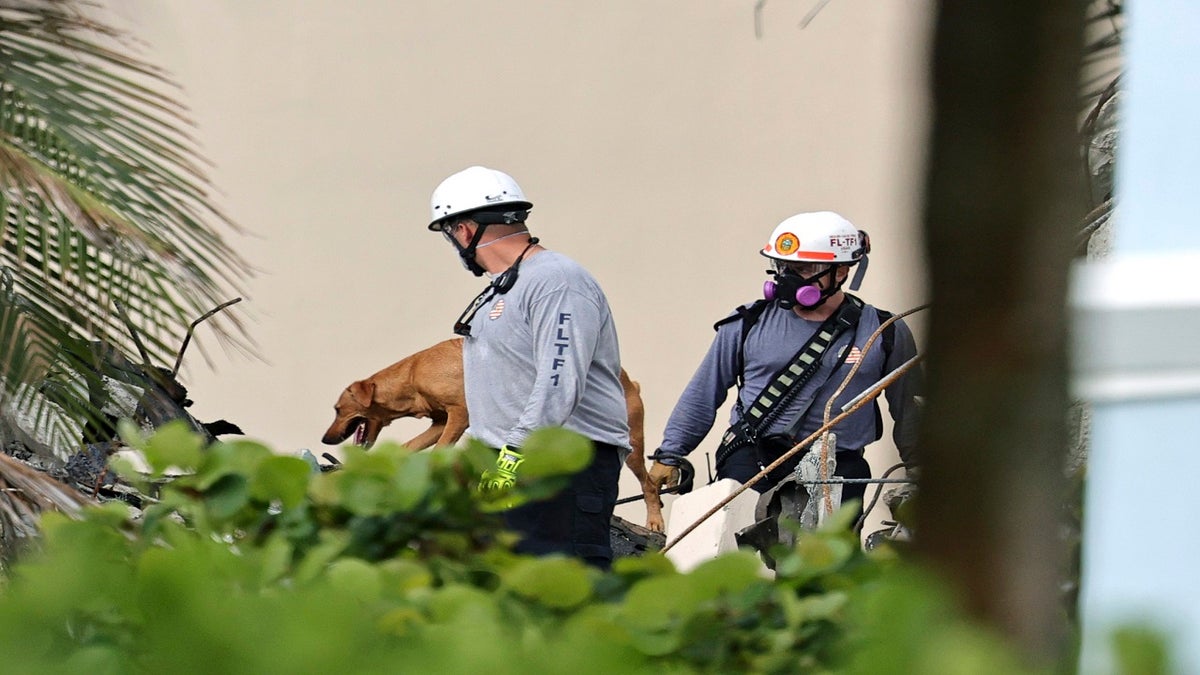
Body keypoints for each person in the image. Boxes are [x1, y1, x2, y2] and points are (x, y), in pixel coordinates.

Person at [646, 211, 921, 526]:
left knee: (828, 570)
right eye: (783, 268)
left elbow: (910, 409)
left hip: (839, 469)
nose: (788, 279)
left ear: (841, 272)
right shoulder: (746, 324)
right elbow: (703, 393)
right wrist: (670, 454)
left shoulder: (884, 332)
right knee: (740, 560)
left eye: (803, 269)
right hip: (753, 462)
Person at [427, 165, 631, 569]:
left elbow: (559, 384)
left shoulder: (557, 280)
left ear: (464, 231)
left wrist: (510, 459)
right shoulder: (507, 286)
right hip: (513, 466)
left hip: (560, 465)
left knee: (563, 594)